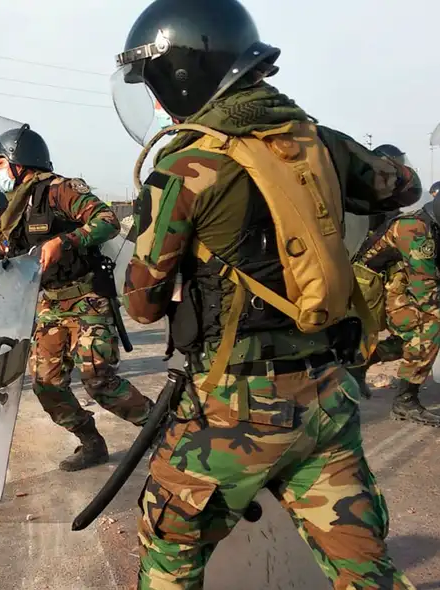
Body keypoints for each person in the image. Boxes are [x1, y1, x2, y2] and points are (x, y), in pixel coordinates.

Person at [111, 1, 420, 586]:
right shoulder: (318, 142)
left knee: (170, 547)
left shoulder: (188, 165)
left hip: (238, 408)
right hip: (329, 394)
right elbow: (402, 187)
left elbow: (143, 302)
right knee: (361, 564)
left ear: (185, 74)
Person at [0, 126, 153, 473]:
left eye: (0, 162)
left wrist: (65, 242)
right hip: (49, 302)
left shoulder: (61, 190)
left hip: (88, 298)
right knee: (46, 384)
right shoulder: (13, 205)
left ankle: (159, 431)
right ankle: (90, 442)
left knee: (99, 380)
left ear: (18, 162)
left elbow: (106, 221)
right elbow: (4, 249)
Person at [351, 180, 440, 427]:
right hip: (372, 291)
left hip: (395, 286)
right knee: (429, 330)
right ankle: (406, 402)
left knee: (409, 338)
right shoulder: (415, 231)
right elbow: (427, 297)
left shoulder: (437, 231)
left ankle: (359, 365)